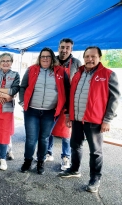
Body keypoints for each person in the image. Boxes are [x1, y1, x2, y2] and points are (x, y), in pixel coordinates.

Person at [59, 46, 120, 193]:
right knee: (75, 145)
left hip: (95, 120)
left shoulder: (108, 74)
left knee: (95, 151)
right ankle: (74, 169)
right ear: (84, 57)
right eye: (87, 56)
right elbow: (71, 95)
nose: (89, 59)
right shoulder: (78, 73)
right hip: (77, 118)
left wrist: (107, 119)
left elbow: (115, 98)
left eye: (93, 56)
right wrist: (68, 114)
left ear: (99, 58)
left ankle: (95, 179)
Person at [19, 47, 69, 175]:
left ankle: (41, 161)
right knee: (31, 139)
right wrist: (22, 101)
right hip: (31, 111)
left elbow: (67, 90)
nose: (45, 58)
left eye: (48, 56)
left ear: (52, 58)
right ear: (39, 58)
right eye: (43, 56)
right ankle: (27, 161)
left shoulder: (61, 71)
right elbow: (23, 86)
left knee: (44, 138)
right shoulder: (31, 69)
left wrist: (66, 109)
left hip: (50, 112)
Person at [45, 38, 82, 170]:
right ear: (58, 47)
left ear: (71, 49)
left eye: (67, 47)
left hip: (68, 102)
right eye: (62, 47)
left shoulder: (76, 63)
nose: (64, 50)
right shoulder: (51, 61)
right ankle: (48, 153)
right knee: (48, 129)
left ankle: (65, 157)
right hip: (52, 100)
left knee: (66, 131)